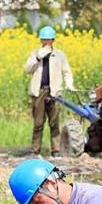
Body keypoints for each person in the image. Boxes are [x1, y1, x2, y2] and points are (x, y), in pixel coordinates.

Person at [24, 26, 74, 157]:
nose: (46, 42)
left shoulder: (60, 55)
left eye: (48, 40)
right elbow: (27, 69)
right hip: (39, 92)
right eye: (44, 40)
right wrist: (38, 57)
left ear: (53, 40)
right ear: (40, 40)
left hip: (54, 92)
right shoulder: (35, 53)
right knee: (38, 123)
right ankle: (35, 151)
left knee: (54, 123)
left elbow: (67, 72)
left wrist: (69, 84)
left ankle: (56, 150)